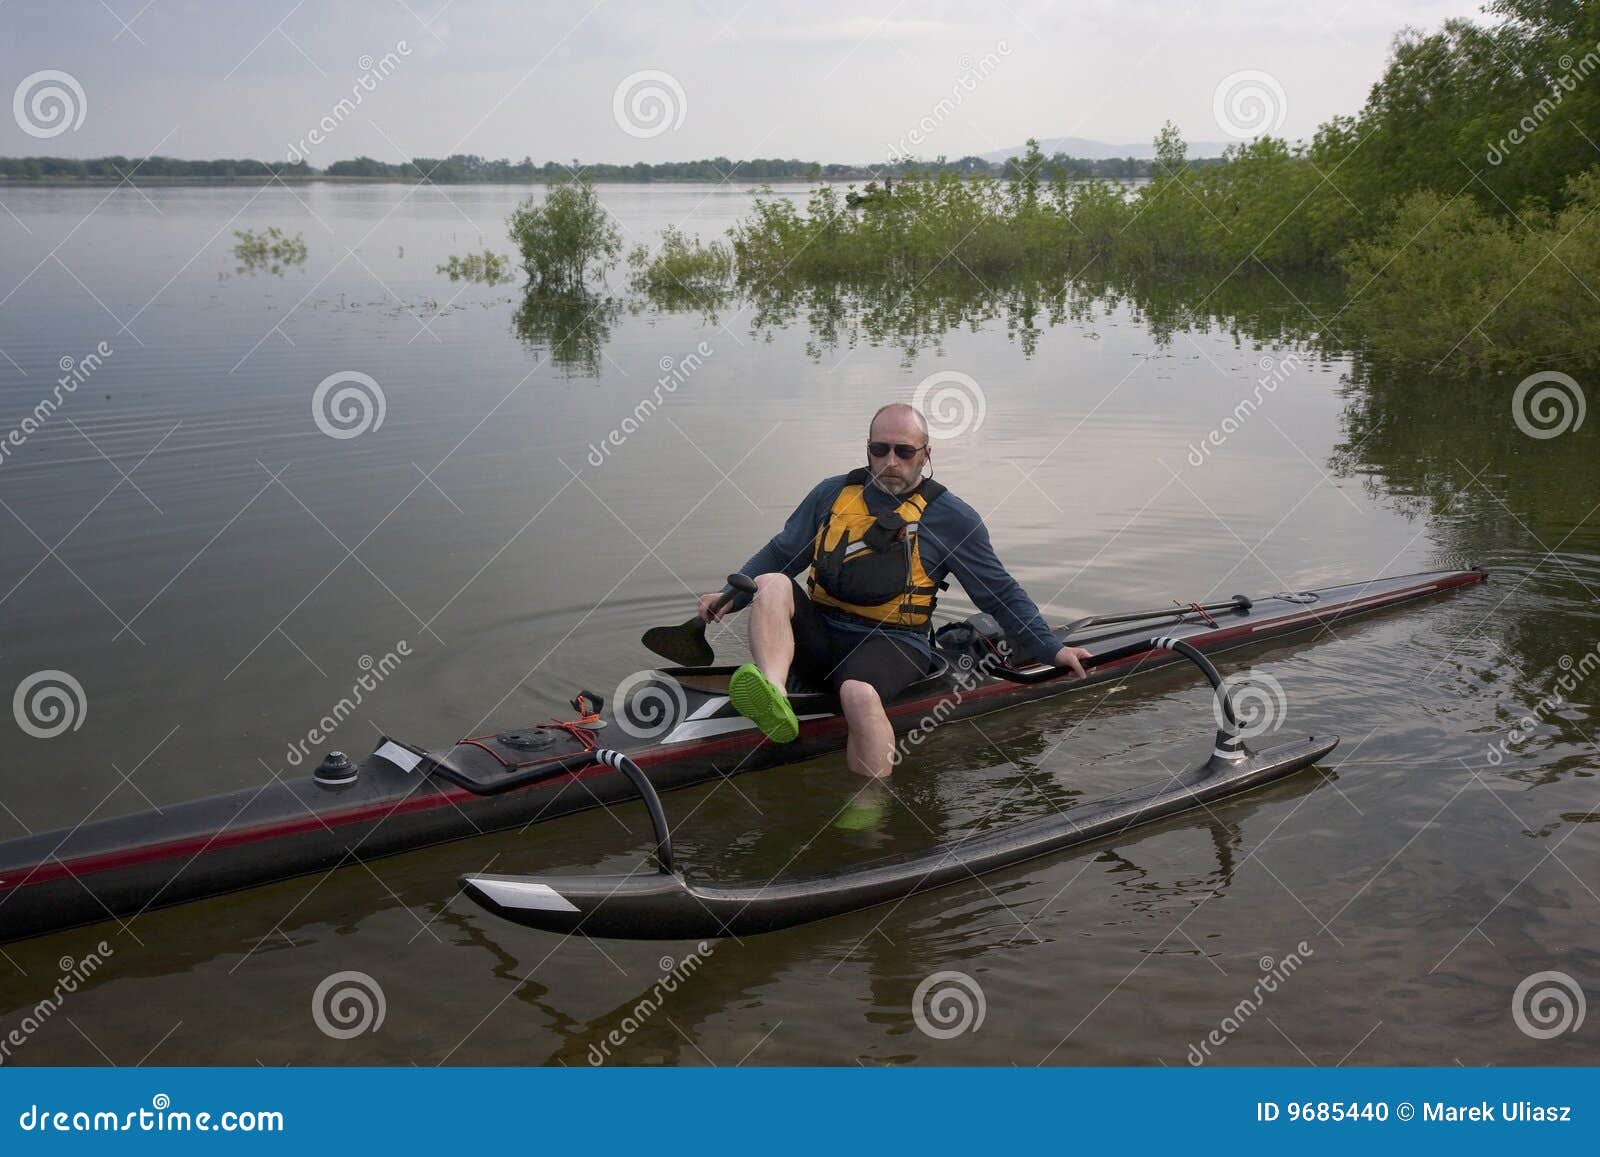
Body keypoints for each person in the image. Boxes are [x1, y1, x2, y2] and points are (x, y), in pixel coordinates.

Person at [698, 403, 1092, 778]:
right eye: (879, 449)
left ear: (925, 454)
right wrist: (726, 598)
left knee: (858, 694)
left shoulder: (952, 518)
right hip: (820, 635)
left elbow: (998, 593)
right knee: (770, 583)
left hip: (893, 641)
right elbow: (781, 553)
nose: (891, 461)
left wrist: (1051, 649)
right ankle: (774, 694)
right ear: (867, 450)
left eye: (904, 451)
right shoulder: (830, 495)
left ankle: (869, 818)